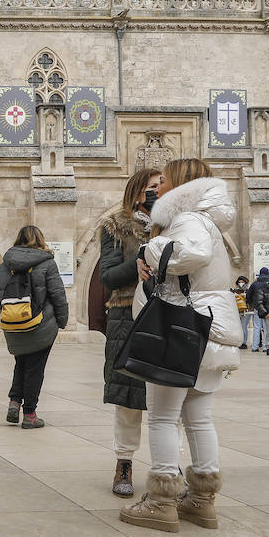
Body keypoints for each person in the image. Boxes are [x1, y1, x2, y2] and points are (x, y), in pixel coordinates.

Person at [119, 158, 241, 533]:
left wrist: (148, 251)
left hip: (182, 331)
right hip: (208, 331)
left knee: (162, 417)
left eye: (166, 181)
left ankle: (161, 501)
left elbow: (191, 255)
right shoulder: (210, 221)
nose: (160, 189)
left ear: (183, 185)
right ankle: (201, 499)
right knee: (199, 418)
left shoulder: (188, 220)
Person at [100, 168, 163, 497]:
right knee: (128, 399)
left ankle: (168, 466)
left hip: (166, 315)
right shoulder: (116, 224)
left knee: (168, 397)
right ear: (138, 191)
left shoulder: (173, 223)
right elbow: (108, 276)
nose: (159, 191)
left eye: (162, 186)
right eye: (153, 187)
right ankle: (124, 463)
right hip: (126, 316)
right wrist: (135, 265)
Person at [0, 225, 67, 429]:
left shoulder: (4, 265)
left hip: (13, 325)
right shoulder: (47, 263)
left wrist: (13, 312)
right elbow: (58, 295)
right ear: (40, 239)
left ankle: (14, 403)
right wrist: (61, 320)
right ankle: (30, 415)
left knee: (21, 363)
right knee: (35, 369)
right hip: (41, 325)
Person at [246, 267, 269, 351]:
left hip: (257, 308)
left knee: (257, 327)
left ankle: (255, 347)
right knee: (266, 328)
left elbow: (248, 295)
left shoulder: (255, 284)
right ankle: (265, 347)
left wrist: (251, 304)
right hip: (267, 309)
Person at [232, 276, 251, 351]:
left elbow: (252, 300)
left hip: (247, 311)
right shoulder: (235, 291)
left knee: (243, 327)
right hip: (237, 311)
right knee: (238, 327)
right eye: (239, 282)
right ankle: (238, 342)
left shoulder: (249, 290)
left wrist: (246, 297)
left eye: (242, 282)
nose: (241, 283)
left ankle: (244, 343)